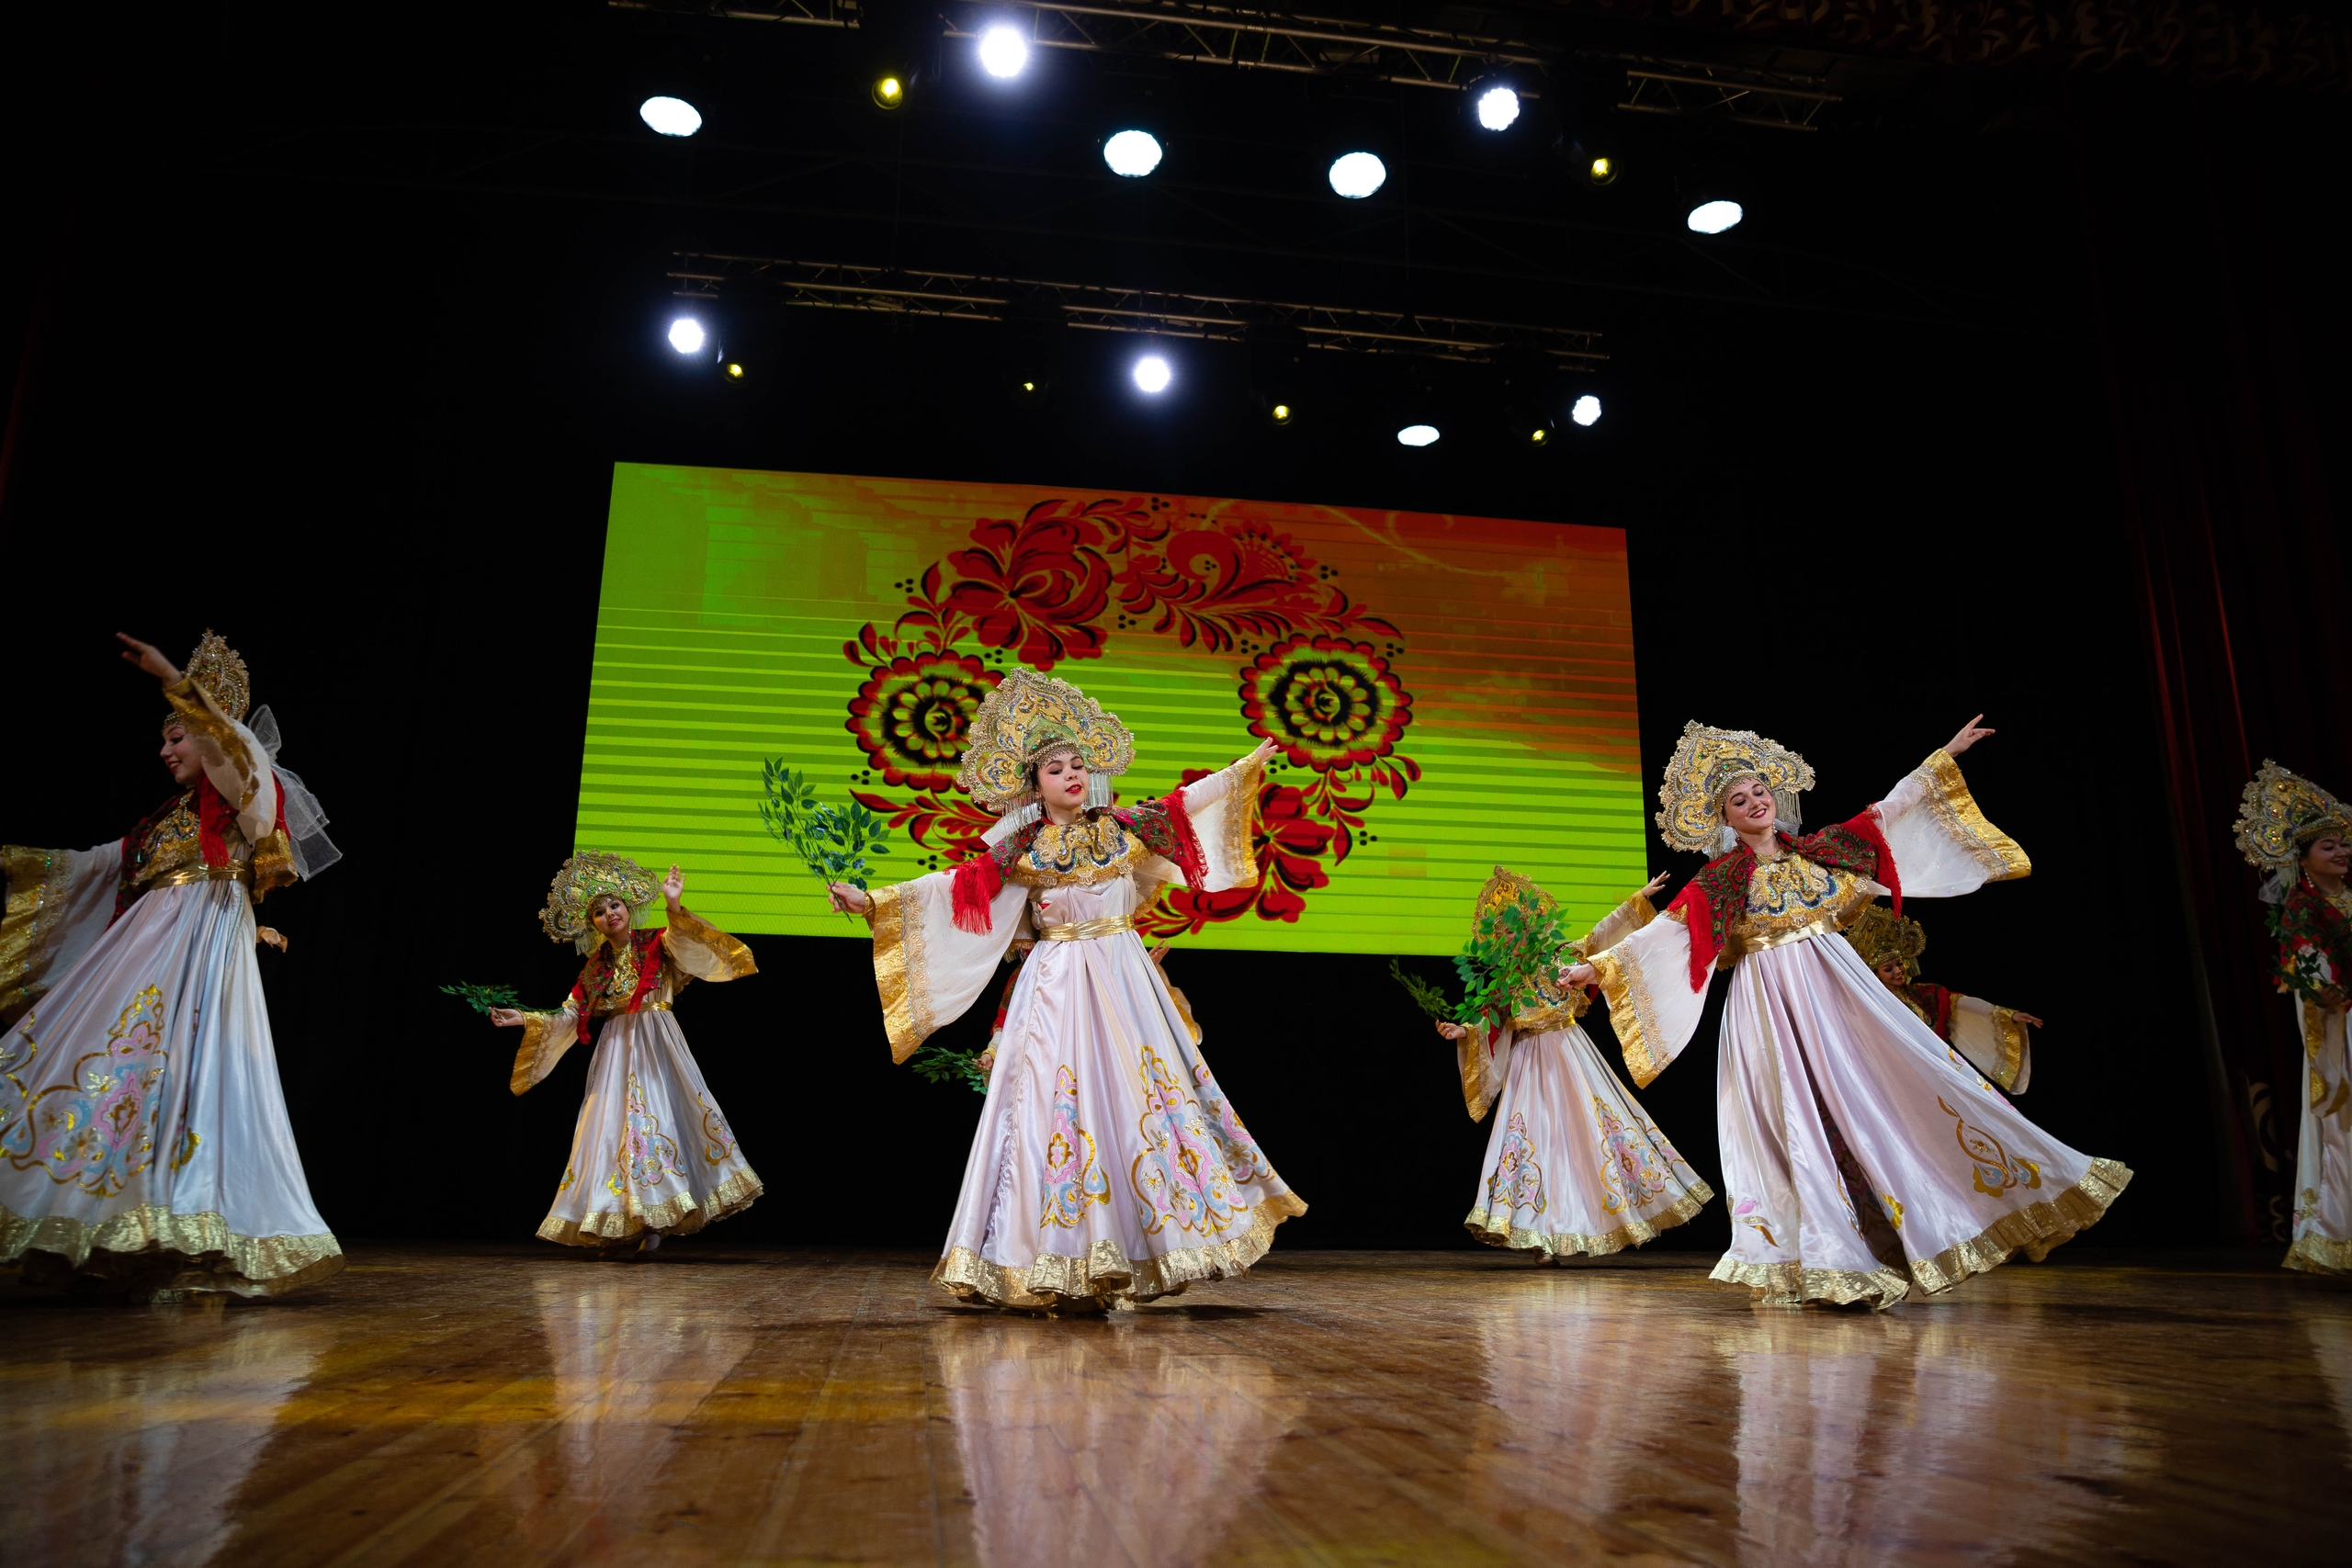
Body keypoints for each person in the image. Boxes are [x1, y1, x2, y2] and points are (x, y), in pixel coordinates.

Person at [1562, 718, 2131, 1309]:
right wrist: (1594, 970)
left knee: (1888, 1087)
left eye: (1759, 791)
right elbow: (1664, 934)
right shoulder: (1720, 881)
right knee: (1786, 1115)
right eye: (1739, 800)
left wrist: (1945, 754)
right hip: (1766, 1004)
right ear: (1724, 819)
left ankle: (1936, 1215)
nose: (1754, 803)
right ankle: (1820, 1254)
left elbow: (1886, 813)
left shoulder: (1820, 852)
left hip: (1836, 991)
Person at [828, 668, 1302, 1310]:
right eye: (1056, 769)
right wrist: (872, 901)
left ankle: (1146, 1246)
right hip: (1054, 984)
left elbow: (1185, 804)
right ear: (1035, 787)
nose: (1072, 775)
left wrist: (1243, 768)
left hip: (1123, 977)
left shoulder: (1122, 827)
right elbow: (953, 888)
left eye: (1078, 764)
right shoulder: (1022, 848)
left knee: (1136, 1100)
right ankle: (1040, 1257)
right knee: (1050, 1108)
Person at [0, 631, 343, 1298]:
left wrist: (174, 681)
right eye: (165, 739)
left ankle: (188, 1225)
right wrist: (19, 862)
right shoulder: (168, 819)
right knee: (112, 1068)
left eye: (176, 736)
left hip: (199, 946)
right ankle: (114, 1225)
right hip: (147, 951)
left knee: (191, 1073)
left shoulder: (244, 788)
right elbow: (104, 864)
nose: (166, 750)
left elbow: (229, 751)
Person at [1433, 867, 1713, 1260]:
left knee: (1587, 1135)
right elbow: (1492, 1023)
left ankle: (1600, 1220)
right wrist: (1463, 1031)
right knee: (1537, 1139)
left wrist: (1638, 899)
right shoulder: (1505, 980)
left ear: (1529, 925)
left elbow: (1601, 938)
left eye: (1512, 929)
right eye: (1500, 933)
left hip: (1569, 1053)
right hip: (1528, 1065)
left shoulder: (1561, 956)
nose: (1507, 937)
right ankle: (1543, 1236)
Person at [490, 854, 763, 1255]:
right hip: (616, 1049)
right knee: (608, 1129)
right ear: (593, 924)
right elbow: (570, 1012)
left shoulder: (657, 942)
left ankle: (655, 1221)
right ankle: (616, 1222)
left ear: (628, 907)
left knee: (656, 1117)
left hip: (656, 1042)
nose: (609, 915)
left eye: (614, 905)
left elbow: (685, 941)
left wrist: (673, 905)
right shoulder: (594, 968)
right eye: (599, 912)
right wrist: (523, 1018)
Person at [2235, 760, 2352, 1276]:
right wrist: (2331, 993)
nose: (2342, 852)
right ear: (2303, 859)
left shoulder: (2349, 898)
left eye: (2343, 844)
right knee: (2344, 1124)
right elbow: (2306, 975)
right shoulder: (2301, 909)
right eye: (2328, 847)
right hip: (2341, 1028)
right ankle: (2336, 1233)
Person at [1844, 901, 2044, 1094]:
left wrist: (2007, 1014)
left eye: (1900, 964)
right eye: (1888, 969)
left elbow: (1962, 1005)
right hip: (1900, 1075)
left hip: (1939, 1067)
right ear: (1876, 974)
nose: (1898, 971)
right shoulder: (1873, 1005)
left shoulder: (1924, 994)